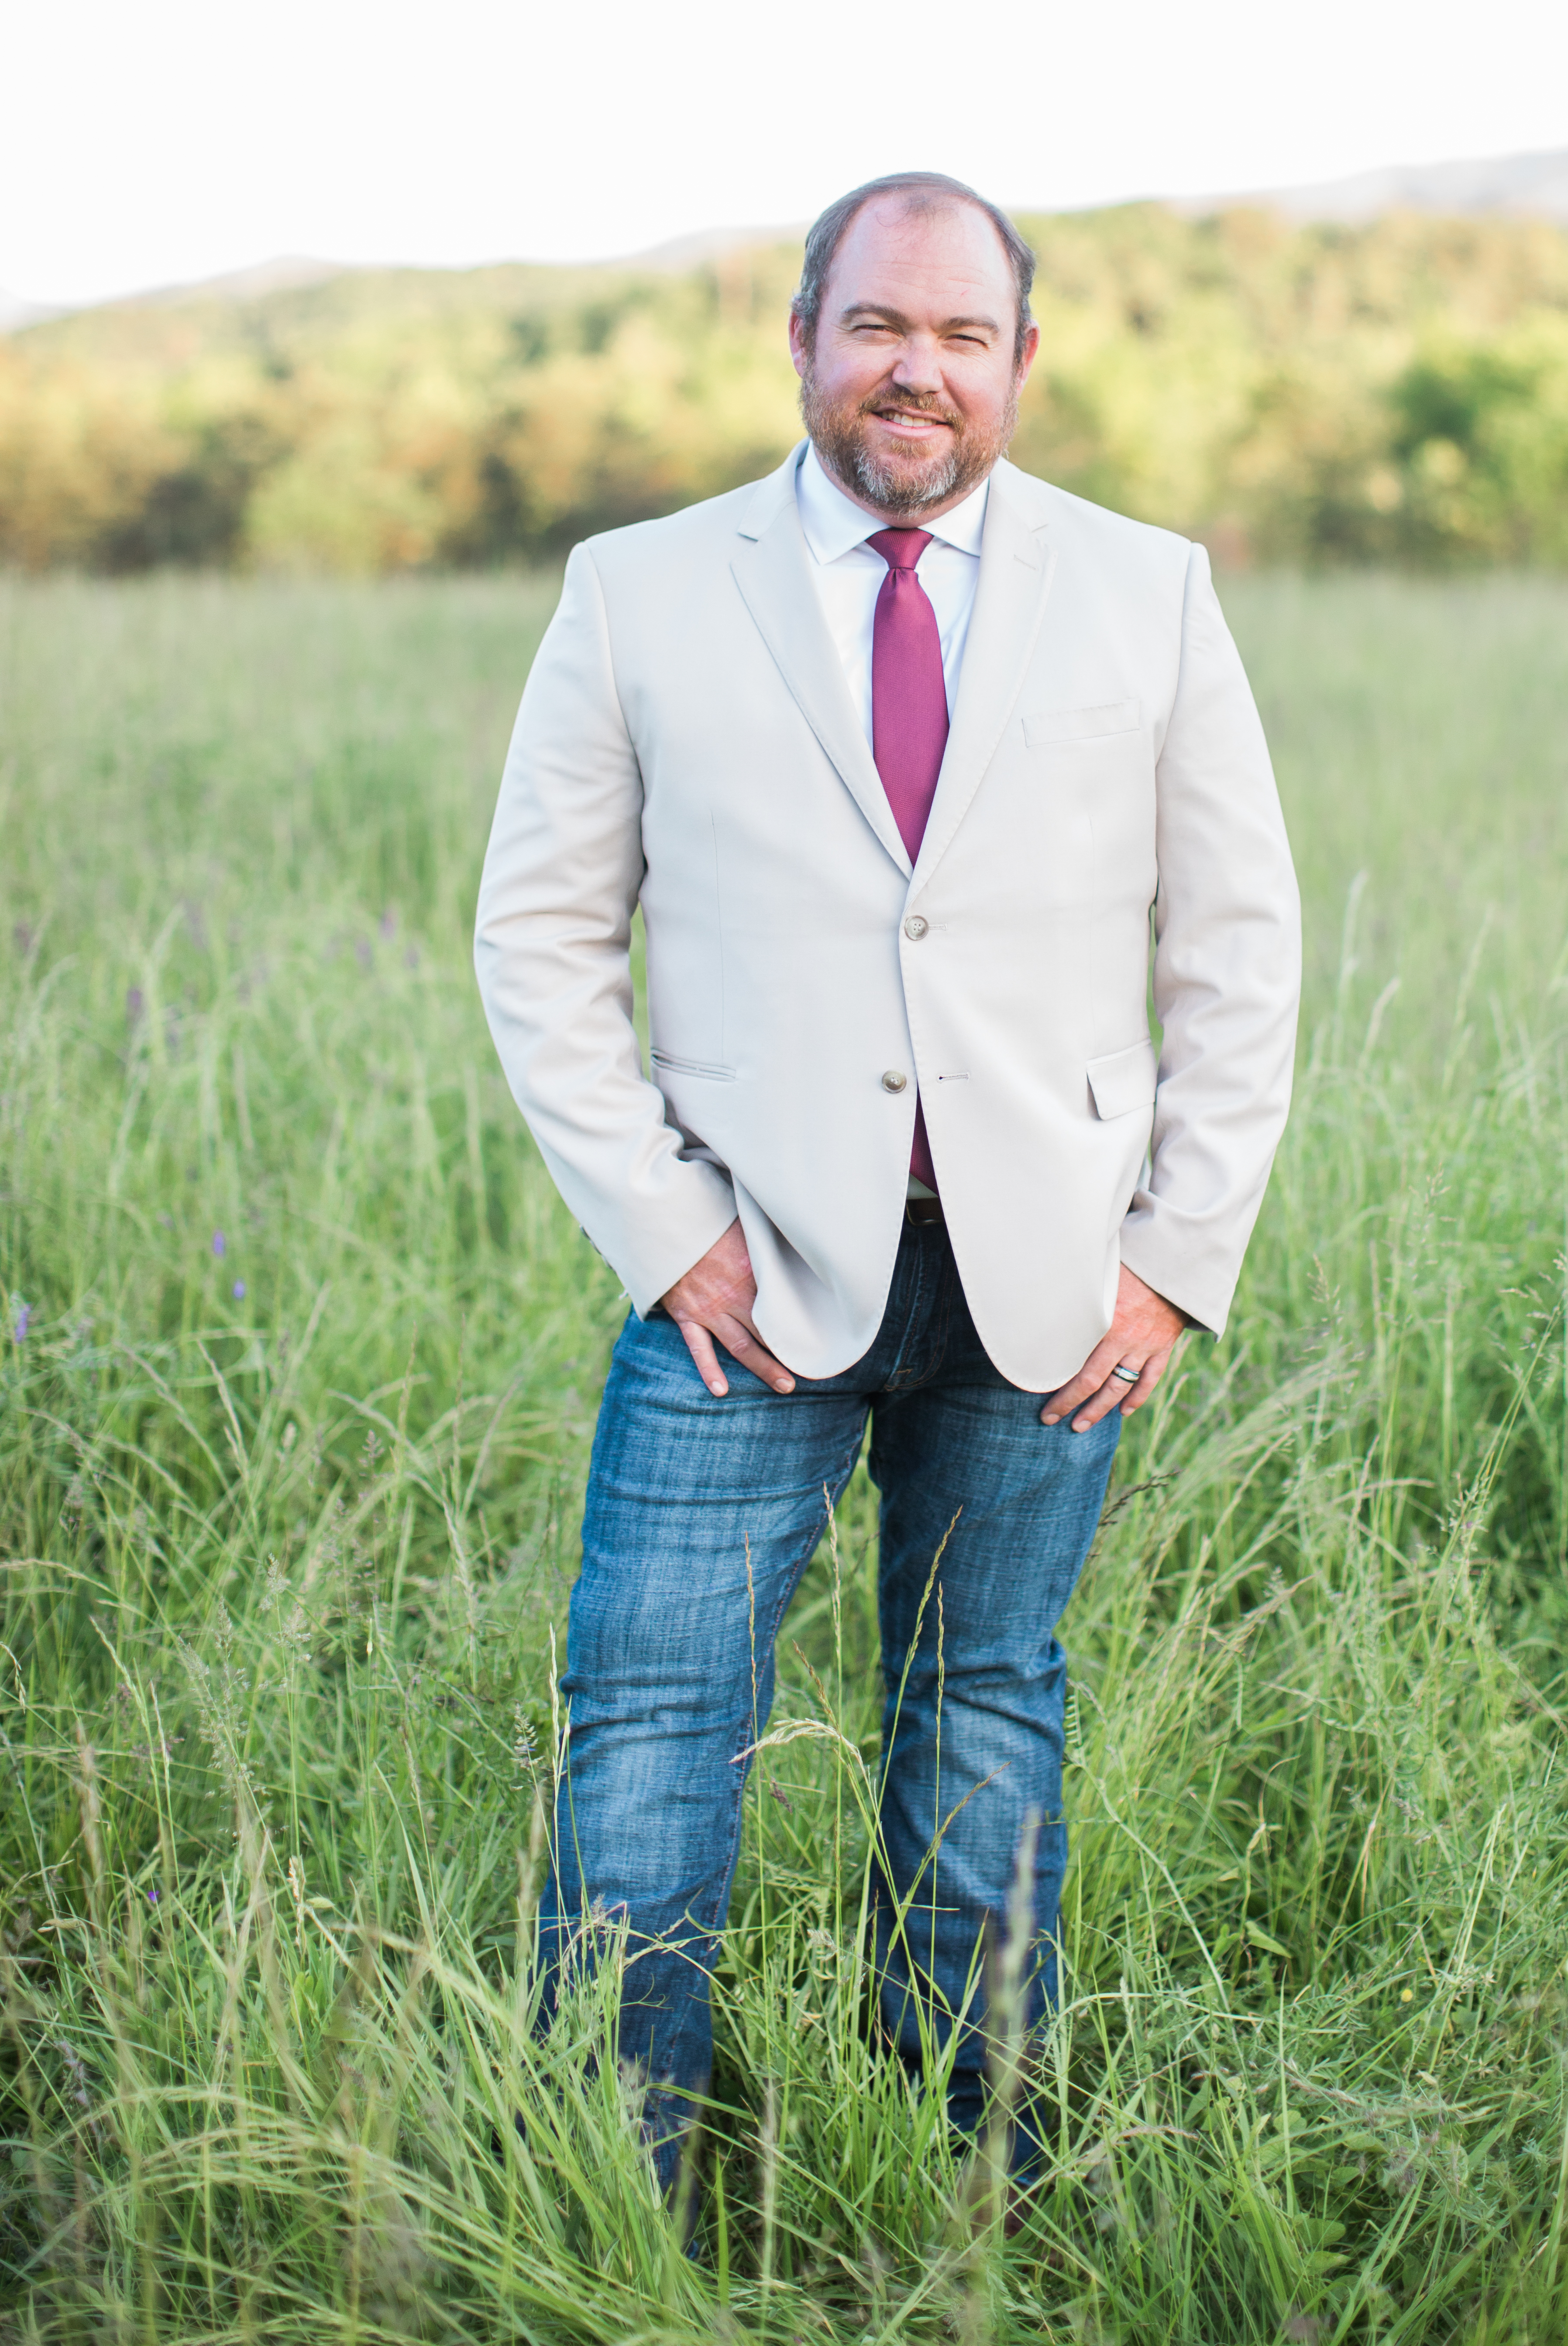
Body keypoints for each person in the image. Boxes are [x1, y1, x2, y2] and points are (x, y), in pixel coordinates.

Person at [474, 170, 1301, 2191]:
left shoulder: (1150, 590)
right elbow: (539, 938)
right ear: (803, 341)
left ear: (1020, 358)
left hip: (1053, 1292)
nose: (911, 368)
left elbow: (1238, 946)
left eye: (956, 333)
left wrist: (1179, 1259)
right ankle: (621, 2173)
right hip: (742, 1291)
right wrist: (671, 1234)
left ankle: (972, 2174)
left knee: (986, 1722)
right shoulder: (640, 590)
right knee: (650, 1731)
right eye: (873, 326)